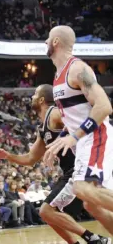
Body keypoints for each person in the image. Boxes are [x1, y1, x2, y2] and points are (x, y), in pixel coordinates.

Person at [0, 84, 110, 244]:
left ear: (41, 100)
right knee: (52, 213)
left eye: (34, 94)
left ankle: (94, 239)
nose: (31, 97)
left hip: (79, 169)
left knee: (46, 211)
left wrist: (68, 136)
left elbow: (84, 122)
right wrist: (7, 156)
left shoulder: (55, 113)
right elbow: (30, 159)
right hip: (69, 172)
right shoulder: (44, 128)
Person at [44, 25, 113, 236]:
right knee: (92, 205)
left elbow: (104, 106)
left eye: (48, 39)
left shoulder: (77, 68)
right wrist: (65, 137)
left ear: (56, 41)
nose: (45, 42)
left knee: (82, 188)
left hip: (96, 136)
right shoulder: (58, 76)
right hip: (86, 140)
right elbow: (76, 116)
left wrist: (75, 136)